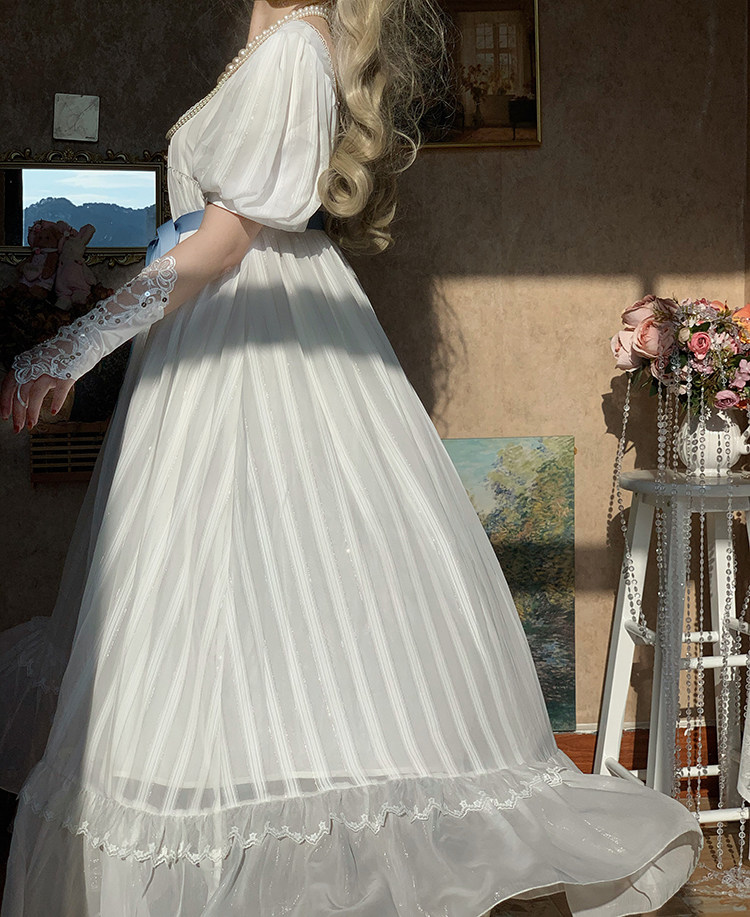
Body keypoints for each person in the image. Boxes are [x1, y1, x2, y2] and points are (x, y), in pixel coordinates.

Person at [0, 1, 703, 915]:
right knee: (209, 611)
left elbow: (225, 239)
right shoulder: (269, 42)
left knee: (282, 602)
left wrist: (76, 343)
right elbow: (201, 233)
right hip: (209, 351)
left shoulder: (298, 46)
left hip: (262, 352)